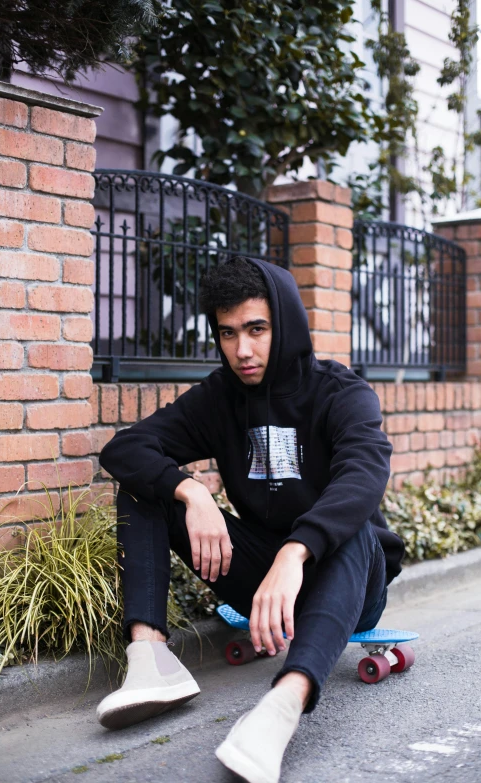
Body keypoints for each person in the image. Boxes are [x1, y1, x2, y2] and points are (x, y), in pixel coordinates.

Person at [96, 255, 405, 783]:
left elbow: (361, 478)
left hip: (351, 583)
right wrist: (190, 490)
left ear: (282, 322)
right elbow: (126, 448)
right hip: (263, 582)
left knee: (353, 528)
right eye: (228, 333)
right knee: (146, 491)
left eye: (256, 329)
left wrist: (296, 551)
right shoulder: (220, 398)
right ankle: (151, 663)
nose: (242, 350)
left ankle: (282, 707)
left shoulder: (341, 393)